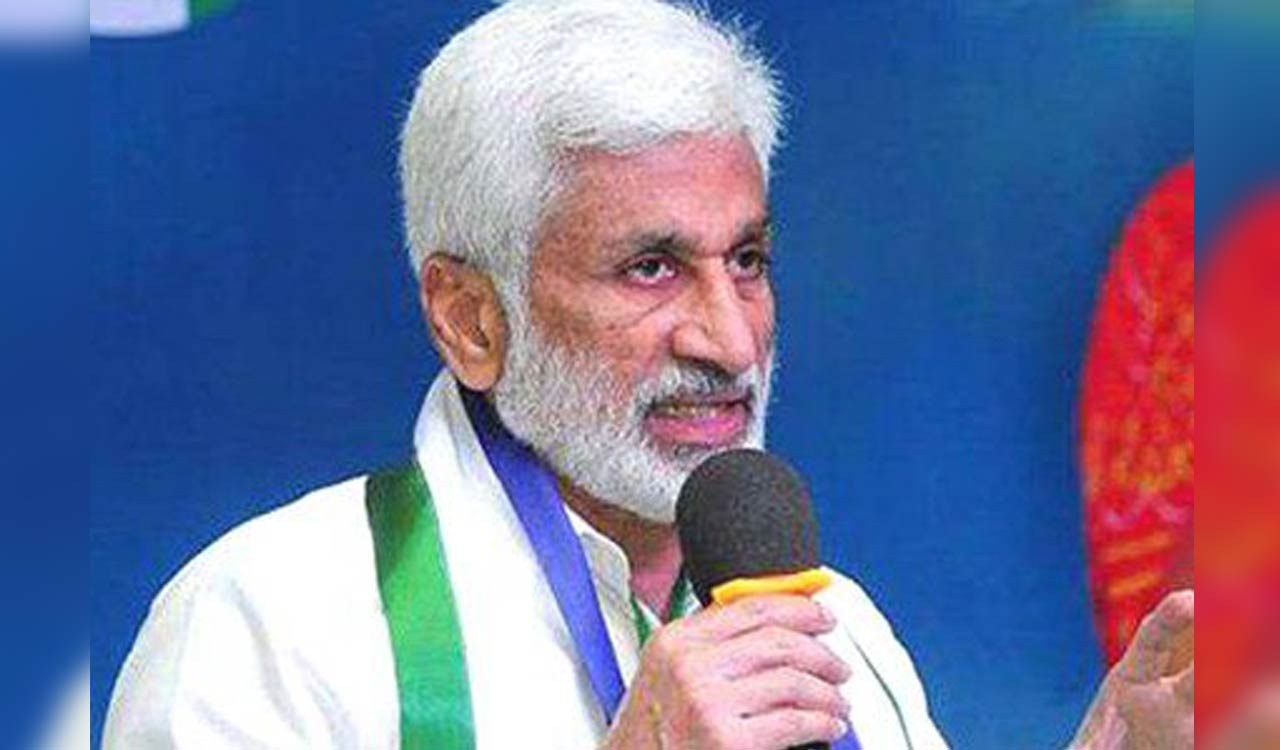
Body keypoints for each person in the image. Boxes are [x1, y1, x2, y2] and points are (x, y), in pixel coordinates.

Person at [102, 1, 1194, 748]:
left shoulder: (837, 633)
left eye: (747, 261)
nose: (730, 342)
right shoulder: (268, 622)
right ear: (470, 318)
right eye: (651, 268)